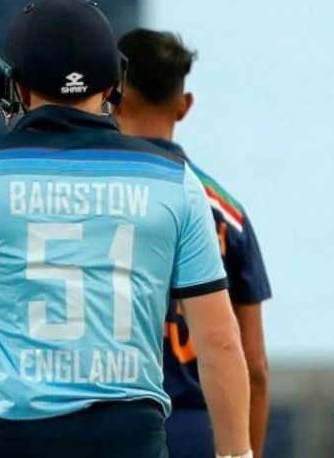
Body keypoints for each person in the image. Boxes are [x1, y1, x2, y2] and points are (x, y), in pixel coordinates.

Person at [0, 0, 253, 457]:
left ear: (14, 86)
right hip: (125, 436)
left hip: (1, 435)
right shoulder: (175, 182)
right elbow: (220, 342)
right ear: (114, 84)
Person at [115, 28, 272, 458]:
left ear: (113, 97)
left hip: (109, 423)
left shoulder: (92, 196)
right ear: (184, 106)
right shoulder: (227, 212)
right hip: (198, 429)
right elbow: (253, 366)